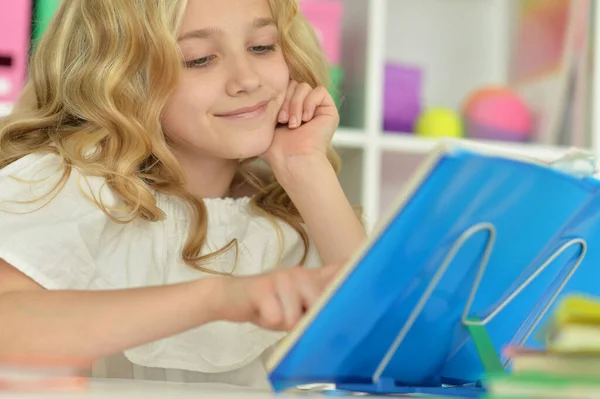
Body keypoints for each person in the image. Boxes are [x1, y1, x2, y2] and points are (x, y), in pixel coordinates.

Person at [0, 0, 366, 389]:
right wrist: (216, 298)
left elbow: (387, 347)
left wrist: (304, 166)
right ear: (120, 77)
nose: (247, 79)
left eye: (262, 47)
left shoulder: (290, 211)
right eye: (200, 59)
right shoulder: (67, 183)